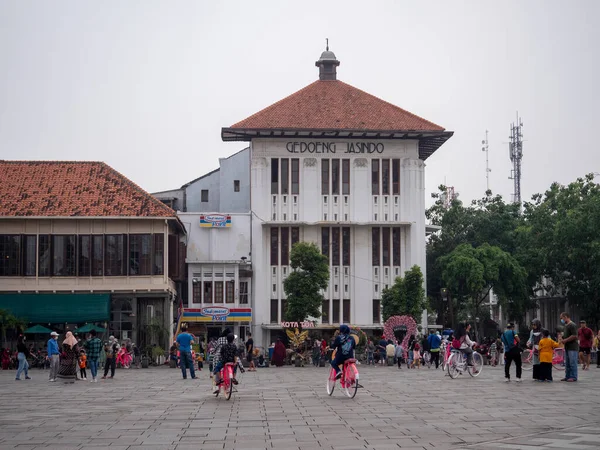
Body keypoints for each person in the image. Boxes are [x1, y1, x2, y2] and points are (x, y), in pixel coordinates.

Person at [559, 312, 579, 382]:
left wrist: (566, 340)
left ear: (565, 317)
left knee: (572, 363)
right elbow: (566, 335)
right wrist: (562, 337)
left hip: (572, 347)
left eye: (561, 318)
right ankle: (567, 376)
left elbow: (575, 335)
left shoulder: (572, 325)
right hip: (567, 347)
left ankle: (573, 377)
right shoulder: (565, 325)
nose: (561, 319)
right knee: (567, 363)